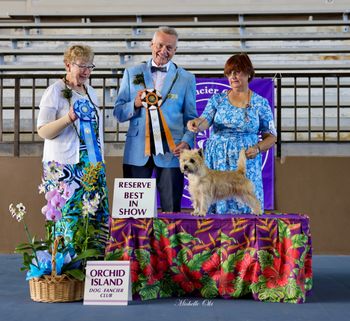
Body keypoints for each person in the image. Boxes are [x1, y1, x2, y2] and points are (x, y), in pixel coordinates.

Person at [114, 26, 197, 212]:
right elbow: (118, 112)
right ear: (151, 44)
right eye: (160, 45)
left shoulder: (186, 78)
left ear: (175, 50)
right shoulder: (132, 73)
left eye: (169, 47)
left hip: (172, 152)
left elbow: (191, 118)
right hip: (136, 153)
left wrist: (186, 142)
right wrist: (134, 104)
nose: (163, 51)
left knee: (171, 210)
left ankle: (171, 242)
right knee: (134, 212)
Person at [37, 44, 109, 255]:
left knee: (94, 216)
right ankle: (67, 270)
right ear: (68, 65)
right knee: (69, 218)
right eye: (81, 66)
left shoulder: (91, 92)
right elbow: (43, 131)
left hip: (92, 165)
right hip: (65, 167)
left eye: (90, 66)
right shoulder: (55, 91)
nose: (86, 71)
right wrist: (68, 118)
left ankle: (92, 265)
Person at [188, 53, 277, 214]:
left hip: (246, 159)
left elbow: (271, 136)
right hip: (217, 159)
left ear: (249, 72)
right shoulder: (218, 99)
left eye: (237, 71)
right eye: (229, 73)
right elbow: (205, 120)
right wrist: (196, 124)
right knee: (211, 200)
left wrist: (257, 148)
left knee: (247, 203)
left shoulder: (260, 103)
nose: (233, 76)